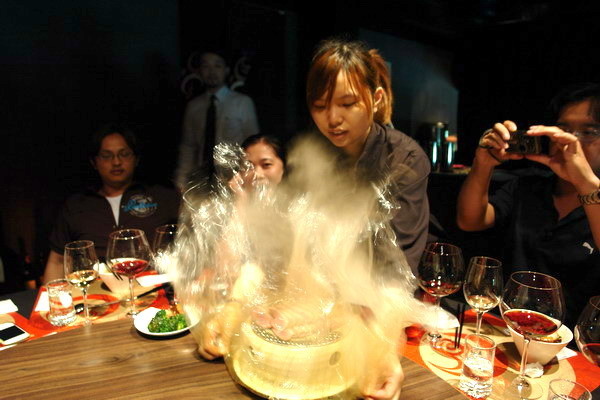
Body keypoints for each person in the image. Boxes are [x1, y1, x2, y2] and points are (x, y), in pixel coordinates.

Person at [457, 83, 600, 328]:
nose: (571, 141)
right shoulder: (528, 186)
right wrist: (483, 162)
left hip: (572, 341)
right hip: (506, 324)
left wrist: (585, 183)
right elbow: (470, 220)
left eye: (589, 132)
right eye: (563, 129)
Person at [306, 39, 430, 273]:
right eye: (320, 106)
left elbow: (398, 263)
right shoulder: (314, 154)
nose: (333, 119)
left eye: (347, 104)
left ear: (376, 99)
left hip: (382, 290)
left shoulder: (404, 158)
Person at [43, 124, 180, 284]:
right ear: (94, 162)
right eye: (106, 156)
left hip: (156, 287)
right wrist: (51, 296)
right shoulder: (77, 205)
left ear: (136, 158)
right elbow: (58, 261)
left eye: (124, 154)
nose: (116, 162)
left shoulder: (164, 196)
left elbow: (194, 242)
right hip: (94, 291)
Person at [175, 51, 260, 189]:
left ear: (226, 70)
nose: (211, 71)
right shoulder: (194, 106)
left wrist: (250, 177)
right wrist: (181, 181)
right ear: (199, 71)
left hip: (234, 178)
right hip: (201, 179)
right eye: (206, 66)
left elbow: (254, 145)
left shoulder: (242, 103)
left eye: (217, 66)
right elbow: (188, 147)